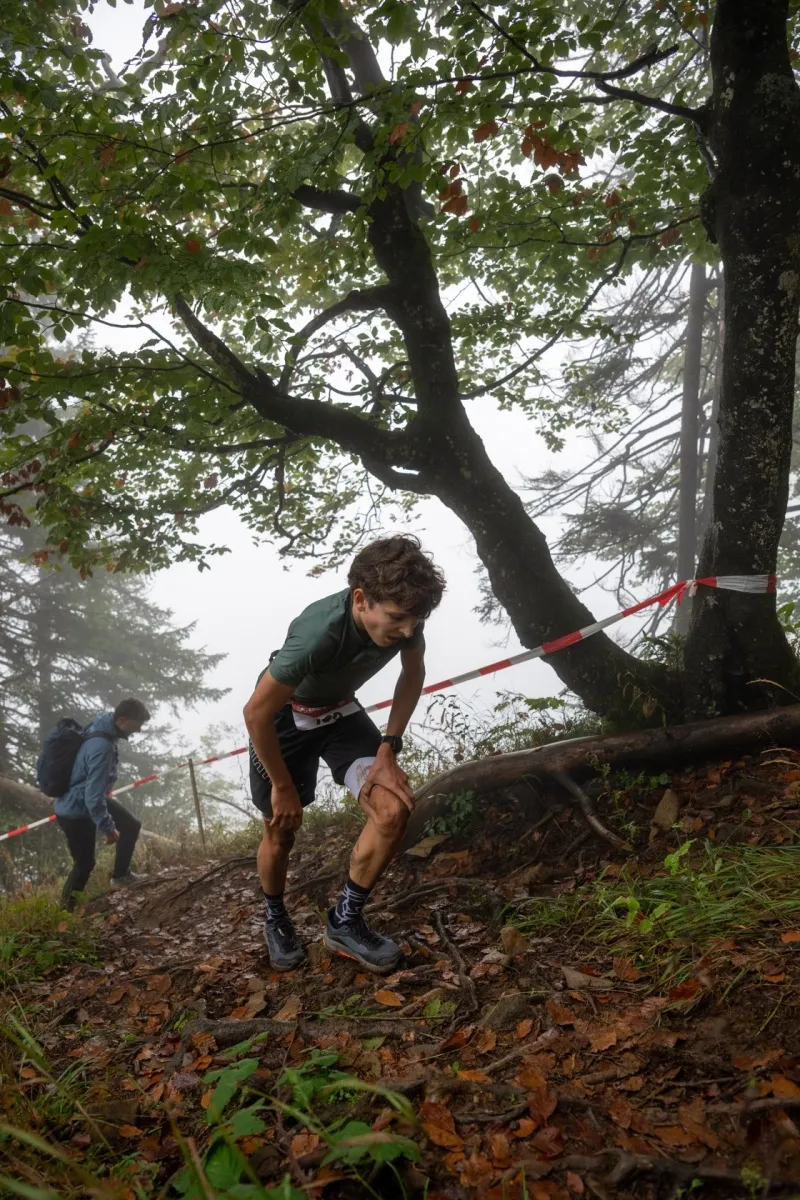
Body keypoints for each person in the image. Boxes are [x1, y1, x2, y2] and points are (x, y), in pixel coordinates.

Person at [244, 535, 445, 975]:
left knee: (393, 810)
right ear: (360, 600)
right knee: (281, 831)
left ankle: (345, 922)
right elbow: (256, 712)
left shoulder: (407, 612)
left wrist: (388, 747)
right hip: (284, 718)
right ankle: (275, 919)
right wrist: (282, 788)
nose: (407, 631)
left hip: (339, 713)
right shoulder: (319, 632)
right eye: (396, 620)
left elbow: (414, 674)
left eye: (416, 621)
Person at [55, 698, 151, 910]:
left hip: (86, 797)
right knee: (85, 864)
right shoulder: (102, 747)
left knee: (131, 824)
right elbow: (93, 798)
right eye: (138, 724)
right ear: (123, 720)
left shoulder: (106, 726)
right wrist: (108, 829)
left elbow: (93, 791)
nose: (139, 729)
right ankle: (64, 913)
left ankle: (121, 876)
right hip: (75, 811)